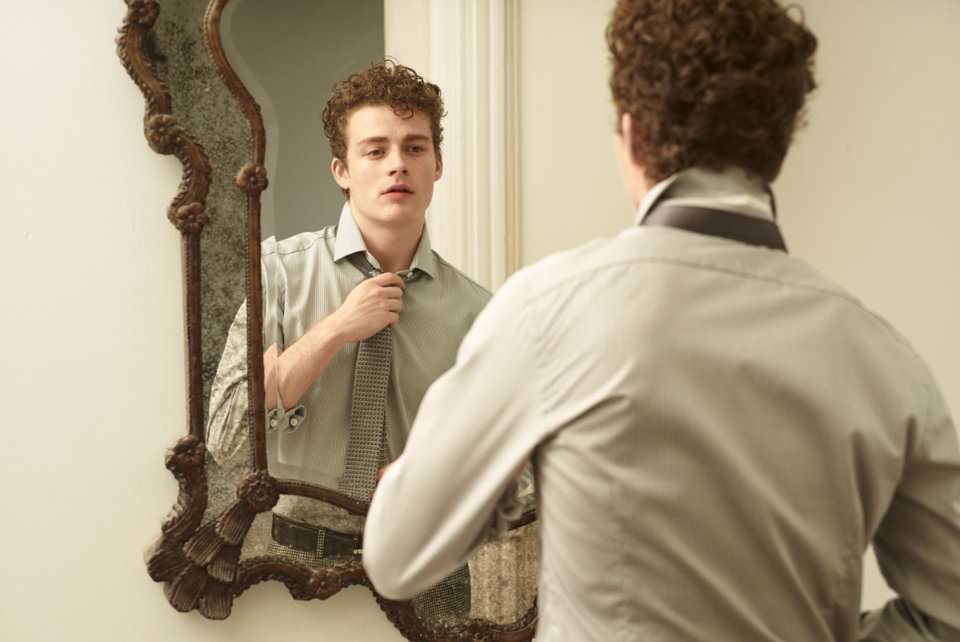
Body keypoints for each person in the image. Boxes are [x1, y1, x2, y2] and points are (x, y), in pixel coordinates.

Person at [362, 1, 960, 640]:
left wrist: (485, 477)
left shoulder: (548, 311)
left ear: (634, 134)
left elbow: (396, 557)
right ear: (776, 147)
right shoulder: (880, 355)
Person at [206, 60, 490, 621]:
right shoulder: (277, 275)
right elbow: (225, 438)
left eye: (414, 148)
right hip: (295, 566)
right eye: (375, 150)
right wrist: (335, 329)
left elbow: (509, 464)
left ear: (437, 165)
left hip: (431, 572)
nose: (397, 164)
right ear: (342, 169)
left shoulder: (479, 311)